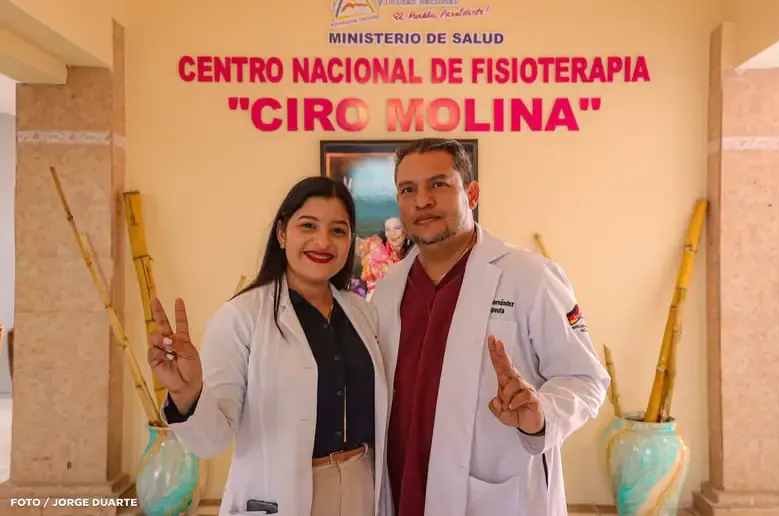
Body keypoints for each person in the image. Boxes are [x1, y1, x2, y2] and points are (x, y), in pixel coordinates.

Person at [371, 138, 611, 516]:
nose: (422, 201)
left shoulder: (530, 277)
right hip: (402, 491)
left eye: (438, 184)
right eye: (408, 190)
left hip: (496, 498)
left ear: (472, 193)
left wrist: (541, 413)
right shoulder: (387, 291)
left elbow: (586, 379)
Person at [146, 176, 391, 516]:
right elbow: (211, 441)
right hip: (282, 495)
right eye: (308, 225)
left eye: (338, 230)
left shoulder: (363, 313)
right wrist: (186, 394)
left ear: (350, 240)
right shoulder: (241, 316)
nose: (323, 241)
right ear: (282, 232)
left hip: (362, 485)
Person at [359, 216, 413, 298]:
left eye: (397, 228)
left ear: (405, 231)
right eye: (388, 230)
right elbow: (375, 288)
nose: (392, 233)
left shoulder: (416, 250)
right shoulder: (376, 254)